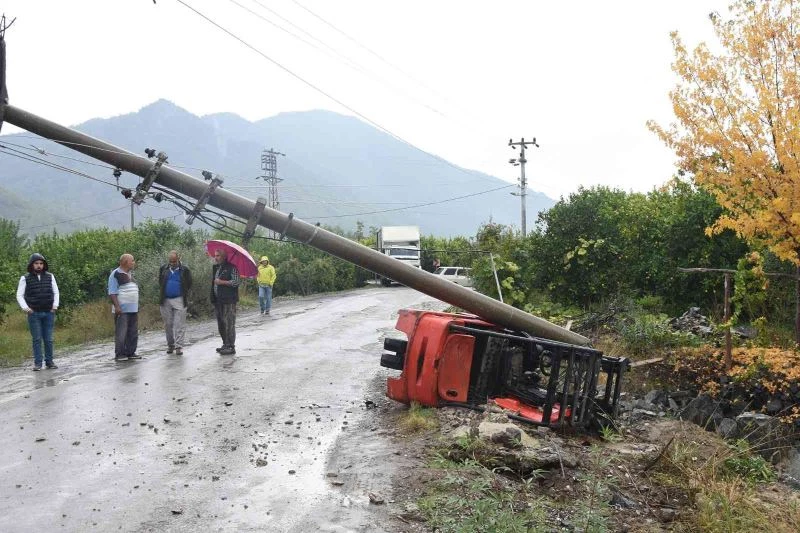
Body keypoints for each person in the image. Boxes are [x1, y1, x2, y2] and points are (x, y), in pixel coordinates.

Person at [16, 253, 60, 371]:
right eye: (36, 263)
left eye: (41, 263)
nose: (39, 266)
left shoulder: (50, 276)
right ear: (32, 265)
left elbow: (56, 292)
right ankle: (38, 363)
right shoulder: (25, 278)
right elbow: (19, 295)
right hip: (34, 313)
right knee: (36, 339)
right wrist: (26, 308)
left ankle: (49, 362)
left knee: (49, 339)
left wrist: (55, 306)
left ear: (44, 265)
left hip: (48, 312)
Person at [158, 250, 192, 355]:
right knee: (168, 324)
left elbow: (189, 283)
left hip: (179, 299)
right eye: (170, 261)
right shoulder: (163, 268)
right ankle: (170, 345)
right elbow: (160, 282)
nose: (172, 264)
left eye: (174, 261)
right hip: (166, 300)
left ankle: (179, 346)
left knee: (179, 324)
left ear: (178, 259)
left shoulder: (185, 270)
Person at [108, 253, 140, 361]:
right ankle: (120, 354)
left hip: (133, 308)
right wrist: (117, 306)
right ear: (126, 262)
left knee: (133, 331)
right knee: (121, 332)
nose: (134, 263)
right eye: (132, 261)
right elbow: (112, 292)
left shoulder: (131, 274)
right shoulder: (115, 274)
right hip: (122, 309)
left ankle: (131, 352)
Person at [211, 249, 240, 355]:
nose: (216, 257)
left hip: (229, 300)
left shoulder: (232, 268)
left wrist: (222, 282)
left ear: (224, 256)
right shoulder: (217, 268)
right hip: (218, 300)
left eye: (218, 255)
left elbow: (236, 282)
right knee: (221, 323)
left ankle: (231, 346)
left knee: (229, 323)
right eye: (215, 255)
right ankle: (225, 343)